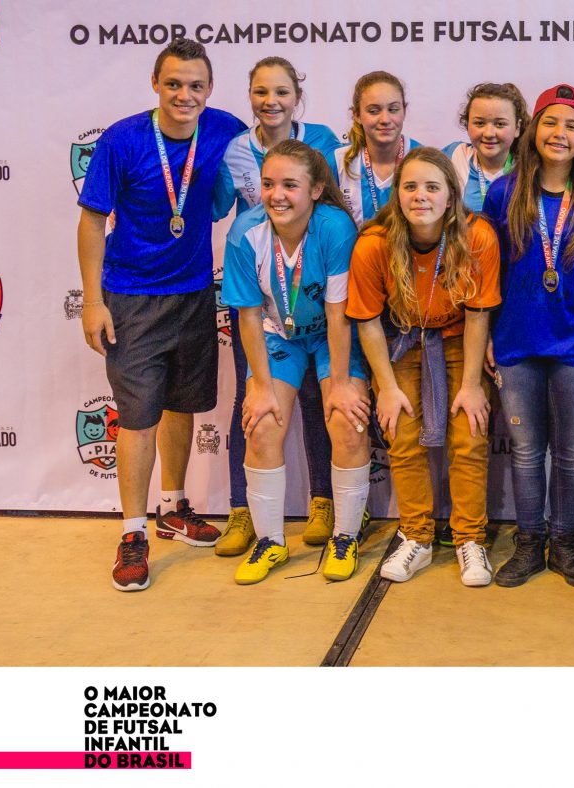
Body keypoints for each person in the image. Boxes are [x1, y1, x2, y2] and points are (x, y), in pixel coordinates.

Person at [77, 38, 246, 592]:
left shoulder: (225, 129)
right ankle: (132, 533)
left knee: (182, 403)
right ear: (155, 84)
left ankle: (173, 507)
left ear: (210, 89)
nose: (184, 95)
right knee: (138, 416)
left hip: (195, 294)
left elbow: (269, 164)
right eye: (173, 83)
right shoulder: (122, 139)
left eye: (195, 85)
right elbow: (91, 221)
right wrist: (93, 301)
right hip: (131, 297)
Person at [347, 147, 501, 586]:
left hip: (459, 341)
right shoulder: (374, 243)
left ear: (451, 196)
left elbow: (478, 316)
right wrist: (386, 387)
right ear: (396, 194)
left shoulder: (477, 236)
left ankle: (470, 539)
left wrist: (472, 385)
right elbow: (367, 322)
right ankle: (416, 536)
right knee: (401, 434)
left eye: (432, 187)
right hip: (400, 342)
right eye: (410, 186)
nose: (420, 196)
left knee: (469, 435)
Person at [213, 56, 348, 557]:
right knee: (252, 400)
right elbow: (216, 207)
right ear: (249, 95)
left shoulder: (324, 141)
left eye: (282, 92)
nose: (271, 102)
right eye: (261, 92)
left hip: (311, 278)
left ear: (297, 97)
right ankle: (243, 511)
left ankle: (323, 502)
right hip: (261, 286)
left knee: (319, 398)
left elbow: (332, 201)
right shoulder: (234, 150)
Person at [483, 84, 574, 589]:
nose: (561, 134)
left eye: (572, 125)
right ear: (534, 130)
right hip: (517, 342)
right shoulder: (504, 192)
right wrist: (488, 335)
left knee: (573, 452)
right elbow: (490, 274)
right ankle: (528, 543)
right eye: (551, 123)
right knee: (524, 451)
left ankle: (564, 544)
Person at [222, 140, 370, 584]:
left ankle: (345, 537)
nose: (277, 195)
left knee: (346, 419)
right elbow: (249, 316)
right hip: (278, 335)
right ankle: (270, 542)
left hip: (330, 335)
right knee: (262, 423)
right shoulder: (245, 233)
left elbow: (338, 314)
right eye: (268, 184)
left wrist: (340, 384)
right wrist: (260, 387)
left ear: (316, 190)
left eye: (290, 185)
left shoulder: (334, 227)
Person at [329, 71, 421, 227]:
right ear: (357, 115)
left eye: (393, 109)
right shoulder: (337, 163)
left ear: (404, 111)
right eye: (374, 111)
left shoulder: (423, 160)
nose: (385, 119)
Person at [444, 82, 530, 211]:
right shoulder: (455, 154)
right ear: (467, 124)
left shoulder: (528, 166)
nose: (489, 133)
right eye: (479, 123)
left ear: (517, 127)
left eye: (500, 124)